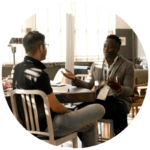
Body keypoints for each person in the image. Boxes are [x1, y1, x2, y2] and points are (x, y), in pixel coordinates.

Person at [11, 31, 105, 148]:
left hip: (28, 127)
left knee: (90, 125)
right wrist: (71, 113)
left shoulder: (16, 69)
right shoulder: (40, 74)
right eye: (45, 46)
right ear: (40, 48)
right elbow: (55, 106)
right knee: (99, 108)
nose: (46, 49)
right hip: (50, 126)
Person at [61, 34, 135, 138]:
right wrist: (74, 79)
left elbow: (130, 90)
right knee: (78, 110)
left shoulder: (127, 65)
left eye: (110, 46)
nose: (106, 49)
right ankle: (88, 144)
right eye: (105, 46)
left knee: (119, 111)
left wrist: (117, 87)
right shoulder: (96, 64)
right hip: (100, 99)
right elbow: (88, 85)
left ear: (117, 49)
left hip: (118, 100)